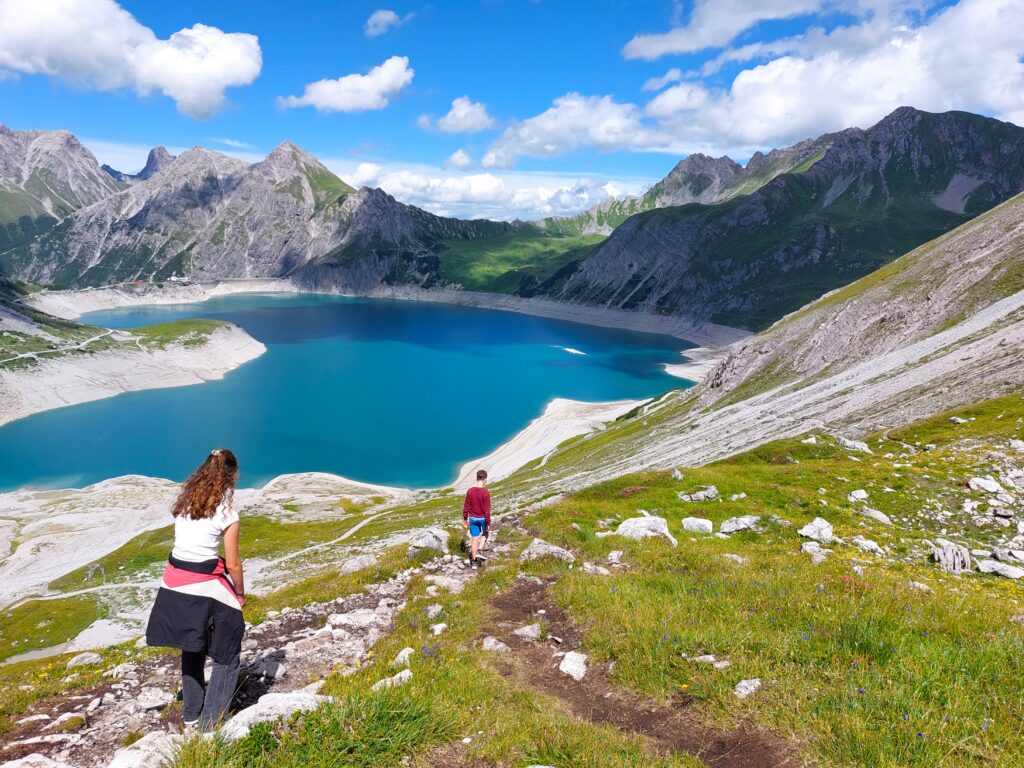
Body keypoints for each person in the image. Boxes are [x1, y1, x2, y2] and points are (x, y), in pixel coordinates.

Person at [145, 448, 246, 732]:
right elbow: (234, 563)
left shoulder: (186, 504)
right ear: (230, 477)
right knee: (228, 645)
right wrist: (239, 594)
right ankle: (211, 724)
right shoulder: (226, 513)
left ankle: (192, 716)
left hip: (172, 584)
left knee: (193, 644)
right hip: (202, 584)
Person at [463, 469, 491, 570]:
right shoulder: (486, 492)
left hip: (472, 518)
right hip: (482, 518)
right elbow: (487, 510)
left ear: (476, 478)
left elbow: (466, 506)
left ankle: (474, 562)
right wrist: (488, 522)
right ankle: (479, 550)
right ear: (484, 480)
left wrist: (465, 518)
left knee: (474, 538)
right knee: (486, 533)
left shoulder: (470, 490)